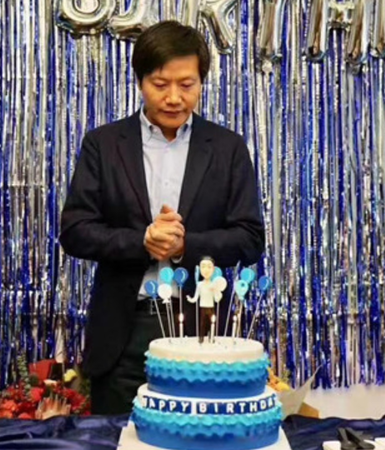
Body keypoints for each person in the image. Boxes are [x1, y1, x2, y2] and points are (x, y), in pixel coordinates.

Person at [59, 20, 265, 415]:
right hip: (124, 331)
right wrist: (143, 241)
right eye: (160, 84)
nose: (173, 98)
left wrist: (186, 246)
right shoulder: (104, 144)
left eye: (186, 85)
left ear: (201, 82)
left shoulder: (227, 148)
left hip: (203, 330)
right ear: (140, 81)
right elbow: (76, 231)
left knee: (198, 437)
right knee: (117, 436)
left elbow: (250, 239)